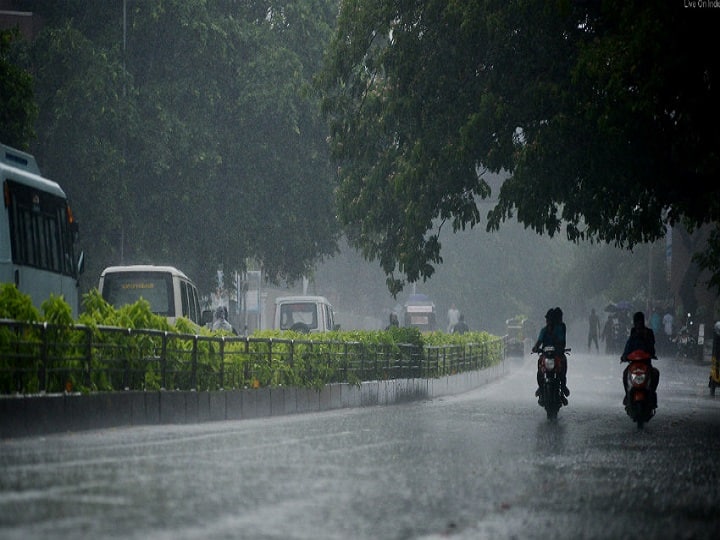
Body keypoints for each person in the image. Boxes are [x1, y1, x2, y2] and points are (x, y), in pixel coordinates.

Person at [621, 311, 660, 407]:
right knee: (625, 373)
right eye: (636, 322)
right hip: (633, 363)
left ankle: (652, 393)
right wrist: (624, 356)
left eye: (640, 321)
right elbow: (628, 346)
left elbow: (652, 346)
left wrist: (651, 353)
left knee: (655, 373)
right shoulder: (633, 333)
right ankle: (627, 395)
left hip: (646, 363)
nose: (638, 324)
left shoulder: (649, 333)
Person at [532, 307, 569, 405]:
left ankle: (563, 386)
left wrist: (558, 346)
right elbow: (539, 341)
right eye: (547, 319)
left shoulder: (560, 328)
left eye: (549, 319)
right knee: (539, 364)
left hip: (557, 354)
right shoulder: (543, 330)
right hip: (546, 355)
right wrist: (535, 347)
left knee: (563, 364)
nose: (547, 321)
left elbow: (562, 341)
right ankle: (540, 387)